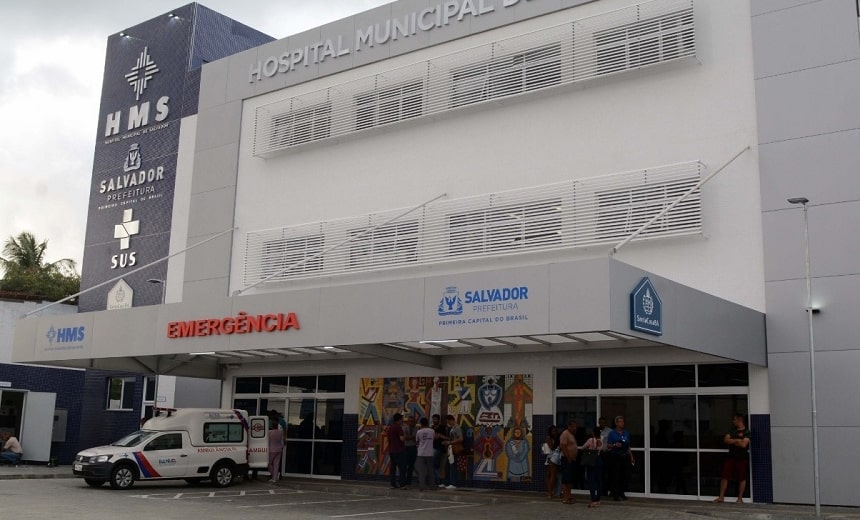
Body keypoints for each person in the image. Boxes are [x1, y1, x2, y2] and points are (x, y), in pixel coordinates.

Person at [714, 414, 751, 503]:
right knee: (725, 476)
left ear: (739, 420)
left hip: (742, 458)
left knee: (741, 478)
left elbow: (744, 445)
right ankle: (721, 497)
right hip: (731, 457)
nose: (733, 421)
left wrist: (733, 441)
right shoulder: (732, 430)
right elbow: (726, 440)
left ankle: (739, 498)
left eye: (734, 420)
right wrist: (737, 440)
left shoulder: (747, 432)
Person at [606, 415, 634, 501]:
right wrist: (615, 445)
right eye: (620, 422)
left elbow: (628, 446)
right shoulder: (612, 433)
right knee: (615, 475)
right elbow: (608, 445)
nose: (622, 423)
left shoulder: (626, 433)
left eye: (623, 421)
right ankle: (615, 493)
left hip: (624, 456)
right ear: (616, 423)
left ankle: (622, 492)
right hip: (615, 456)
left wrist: (631, 456)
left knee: (624, 475)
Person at [582, 427, 604, 507]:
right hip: (599, 460)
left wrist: (588, 448)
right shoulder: (601, 441)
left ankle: (593, 500)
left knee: (591, 480)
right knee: (598, 481)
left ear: (593, 433)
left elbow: (583, 447)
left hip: (591, 461)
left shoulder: (590, 440)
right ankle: (598, 499)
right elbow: (601, 449)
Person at [440, 414, 463, 489]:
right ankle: (446, 482)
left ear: (451, 420)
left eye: (448, 421)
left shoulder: (457, 428)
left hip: (454, 449)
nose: (448, 423)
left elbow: (461, 439)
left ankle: (453, 483)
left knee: (452, 466)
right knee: (447, 465)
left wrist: (450, 442)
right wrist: (447, 442)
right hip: (451, 449)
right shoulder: (453, 428)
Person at [559, 419, 578, 504]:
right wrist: (568, 457)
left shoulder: (571, 435)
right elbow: (563, 446)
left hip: (572, 459)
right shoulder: (565, 434)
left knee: (570, 479)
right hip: (566, 459)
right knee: (566, 479)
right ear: (569, 426)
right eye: (573, 427)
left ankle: (569, 496)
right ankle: (565, 497)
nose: (575, 428)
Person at [414, 417, 436, 491]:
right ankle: (432, 486)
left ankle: (422, 487)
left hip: (421, 453)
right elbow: (434, 439)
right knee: (431, 470)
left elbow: (417, 442)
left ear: (421, 424)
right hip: (430, 453)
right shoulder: (432, 431)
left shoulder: (419, 432)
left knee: (421, 471)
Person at [386, 413, 407, 489]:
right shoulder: (399, 428)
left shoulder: (390, 428)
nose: (402, 420)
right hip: (399, 450)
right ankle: (402, 484)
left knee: (393, 468)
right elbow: (402, 439)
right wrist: (406, 437)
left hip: (392, 450)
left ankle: (393, 484)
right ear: (399, 419)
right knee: (402, 468)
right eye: (401, 419)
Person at [542, 425, 561, 499]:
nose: (554, 432)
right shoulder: (549, 438)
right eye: (553, 431)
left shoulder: (556, 438)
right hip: (551, 456)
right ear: (550, 432)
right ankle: (550, 491)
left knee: (552, 475)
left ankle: (550, 492)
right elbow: (551, 447)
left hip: (554, 457)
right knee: (549, 475)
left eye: (555, 431)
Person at [402, 415, 418, 488]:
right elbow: (405, 437)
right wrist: (412, 437)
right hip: (406, 448)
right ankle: (403, 481)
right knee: (405, 465)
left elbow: (416, 438)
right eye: (410, 421)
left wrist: (410, 437)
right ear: (408, 422)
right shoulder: (405, 428)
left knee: (411, 466)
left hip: (413, 448)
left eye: (413, 421)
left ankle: (409, 481)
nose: (411, 423)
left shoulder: (417, 428)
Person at [431, 414, 445, 485]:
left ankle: (439, 479)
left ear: (438, 420)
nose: (434, 420)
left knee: (433, 465)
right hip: (432, 448)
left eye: (435, 419)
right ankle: (437, 479)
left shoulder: (442, 427)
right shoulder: (432, 427)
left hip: (438, 448)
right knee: (435, 465)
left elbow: (445, 437)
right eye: (433, 419)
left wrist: (440, 436)